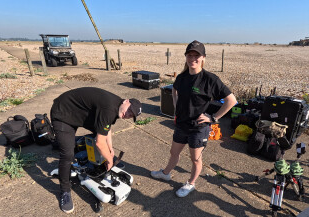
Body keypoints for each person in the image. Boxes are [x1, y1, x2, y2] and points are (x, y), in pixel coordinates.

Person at [151, 40, 237, 197]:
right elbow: (174, 90)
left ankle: (191, 183)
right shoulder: (182, 77)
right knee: (173, 152)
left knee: (195, 159)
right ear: (186, 57)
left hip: (198, 128)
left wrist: (213, 118)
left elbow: (231, 101)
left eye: (196, 55)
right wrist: (176, 108)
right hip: (181, 124)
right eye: (189, 55)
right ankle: (166, 173)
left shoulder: (210, 80)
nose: (193, 59)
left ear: (203, 57)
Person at [50, 87, 142, 213]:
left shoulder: (117, 106)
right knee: (67, 154)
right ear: (126, 101)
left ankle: (90, 158)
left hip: (79, 114)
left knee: (100, 136)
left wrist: (110, 150)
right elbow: (99, 142)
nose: (128, 115)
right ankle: (65, 191)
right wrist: (109, 159)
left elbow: (106, 128)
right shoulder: (109, 108)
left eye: (131, 115)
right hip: (63, 114)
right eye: (130, 110)